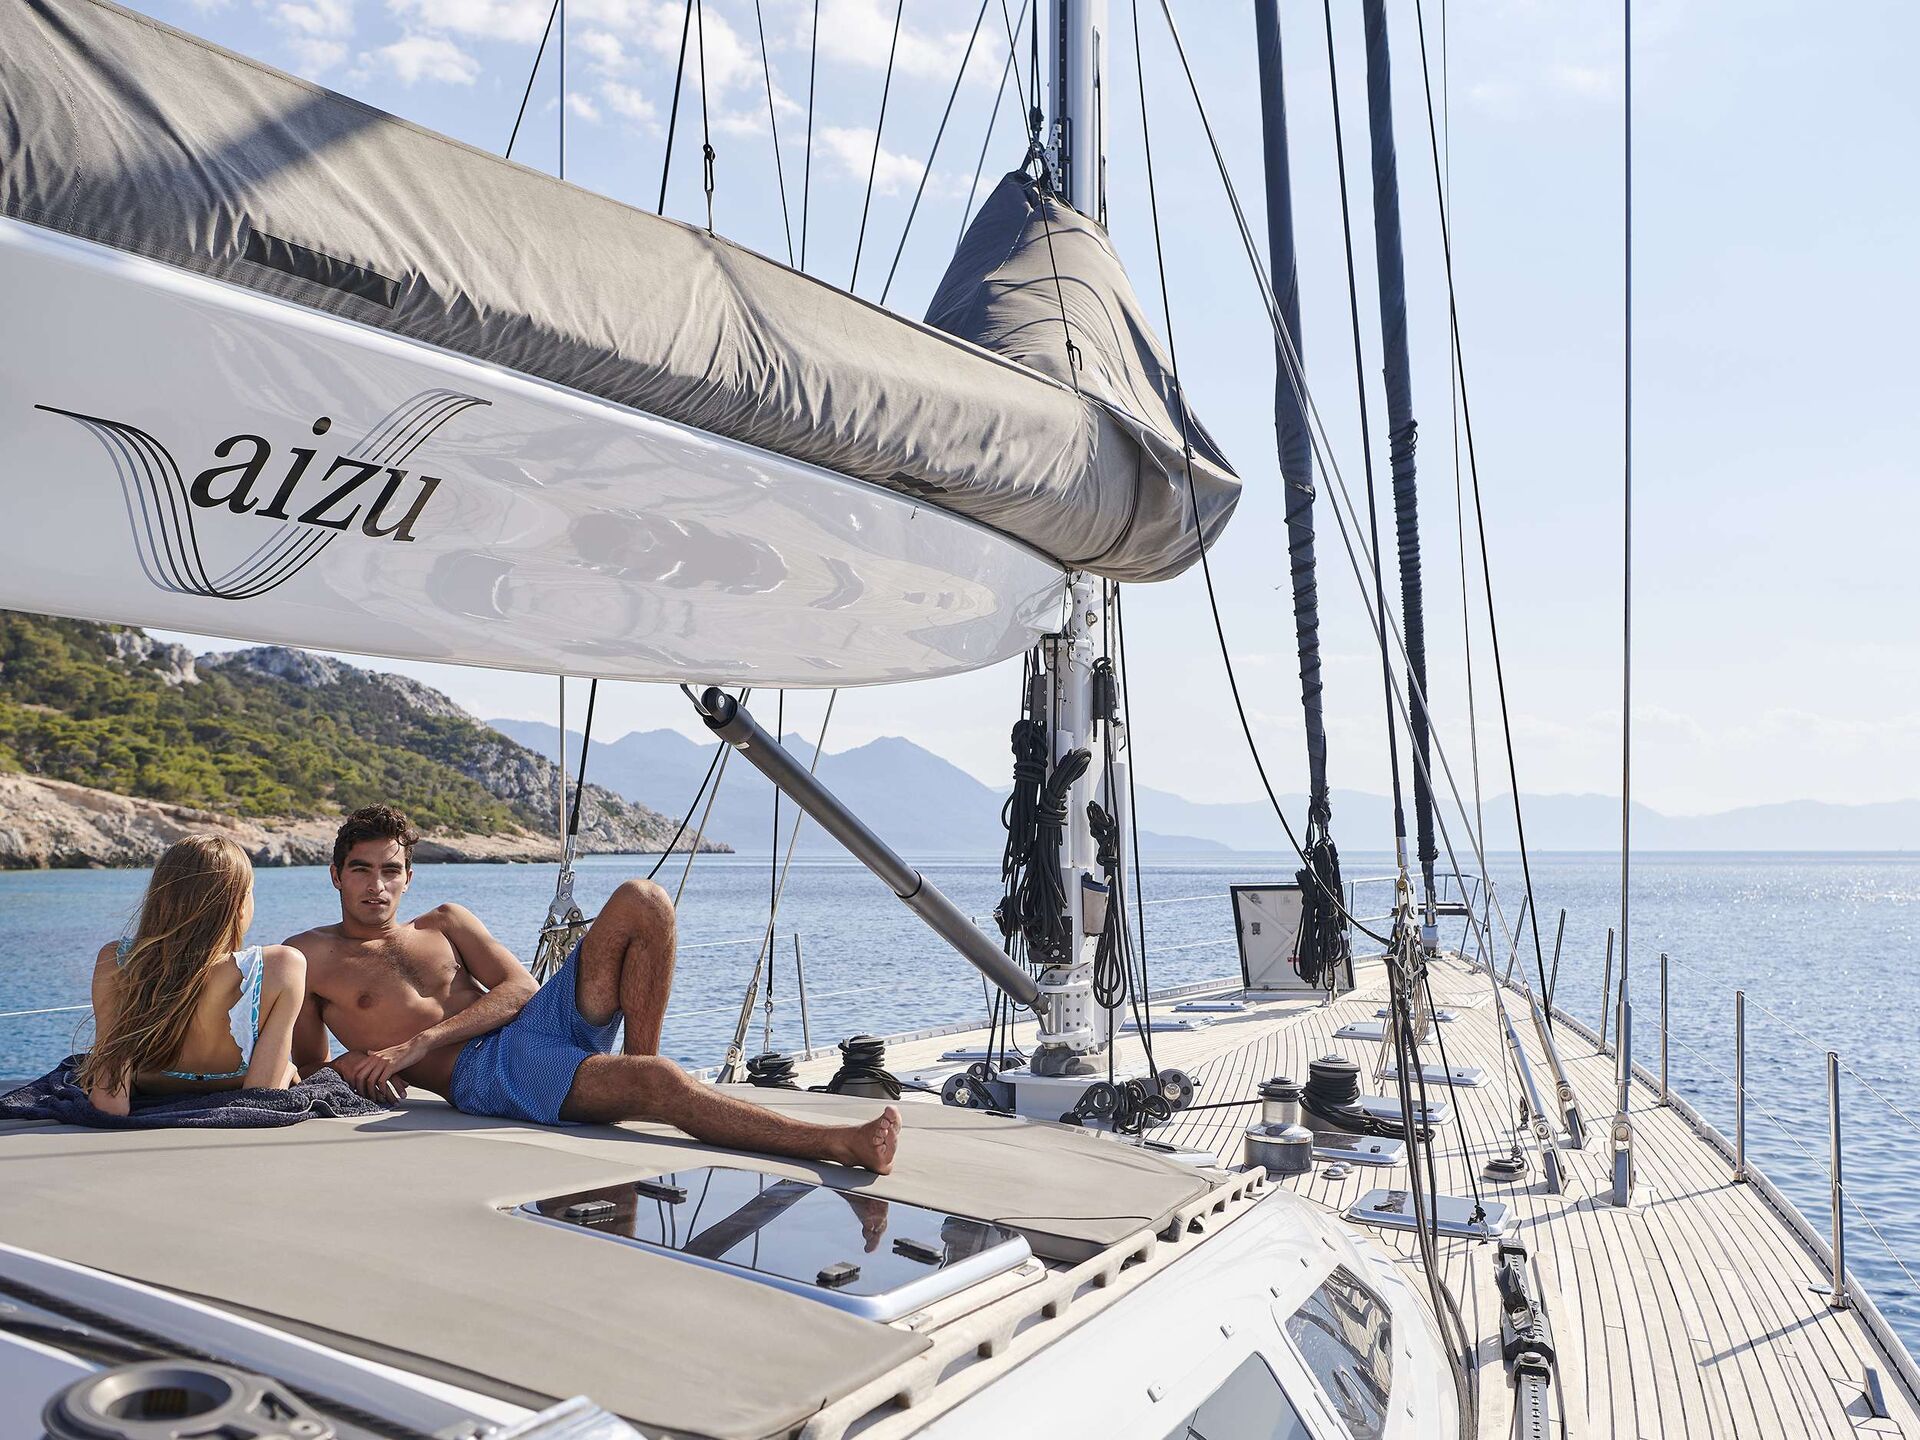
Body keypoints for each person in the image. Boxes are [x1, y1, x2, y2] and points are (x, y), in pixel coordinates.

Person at [289, 805, 900, 1173]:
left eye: (390, 870)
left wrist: (417, 1043)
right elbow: (314, 1067)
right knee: (660, 1083)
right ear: (336, 876)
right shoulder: (310, 957)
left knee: (644, 900)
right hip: (486, 1074)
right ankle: (838, 1144)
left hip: (534, 1024)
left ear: (408, 876)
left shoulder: (445, 921)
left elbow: (521, 989)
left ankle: (635, 1072)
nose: (378, 885)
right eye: (362, 870)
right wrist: (379, 1070)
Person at [77, 835, 308, 1116]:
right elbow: (259, 1102)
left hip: (151, 1090)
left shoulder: (118, 960)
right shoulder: (282, 966)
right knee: (285, 1067)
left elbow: (109, 1102)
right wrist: (285, 1070)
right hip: (236, 1107)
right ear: (238, 906)